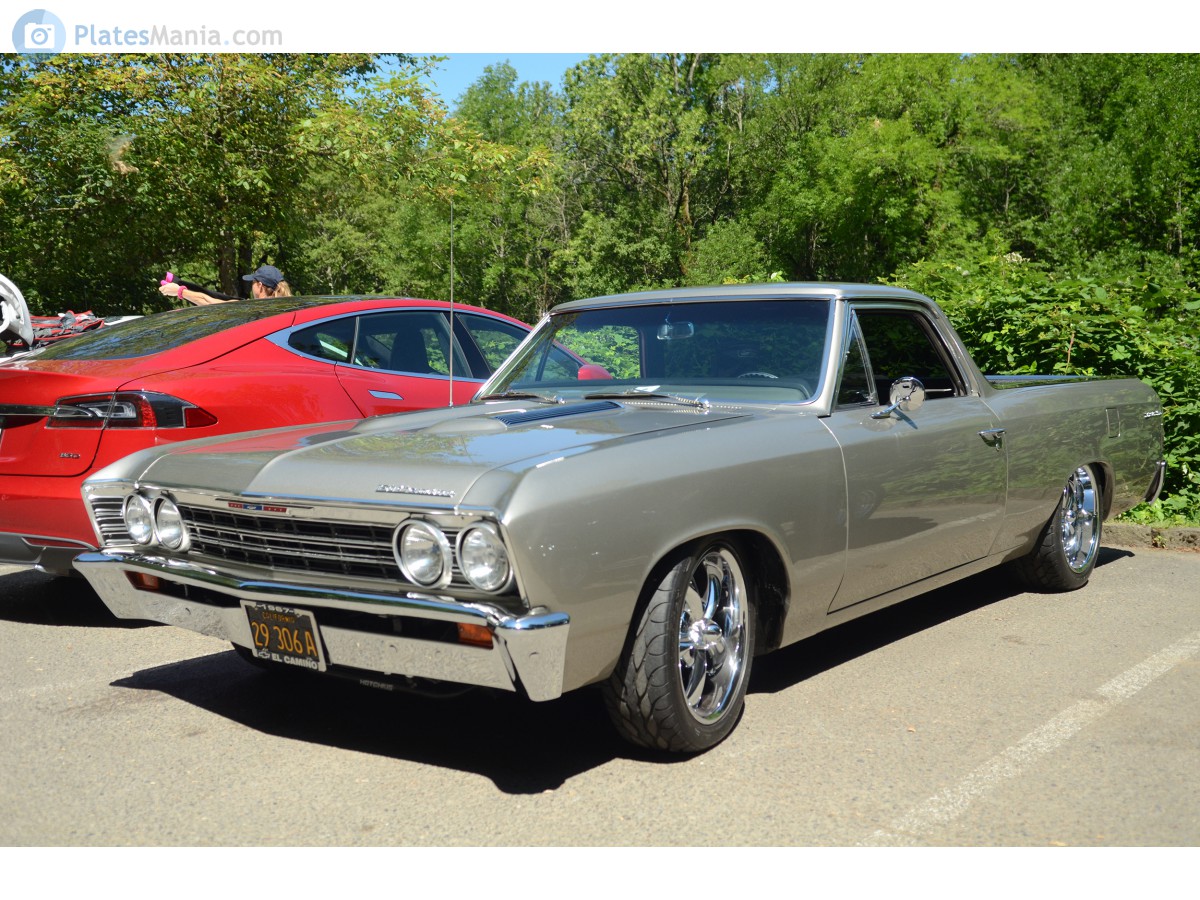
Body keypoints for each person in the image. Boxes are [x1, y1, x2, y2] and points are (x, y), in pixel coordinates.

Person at [158, 264, 292, 305]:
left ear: (260, 286)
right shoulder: (284, 309)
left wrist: (179, 291)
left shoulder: (255, 309)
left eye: (253, 282)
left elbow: (209, 302)